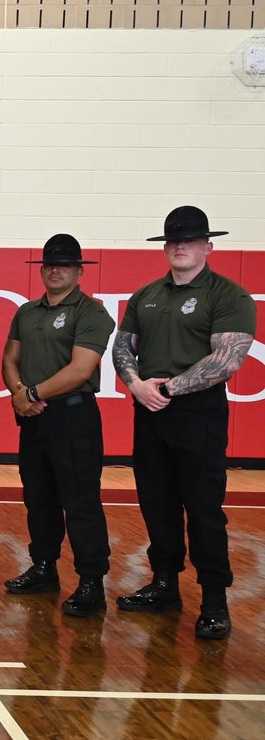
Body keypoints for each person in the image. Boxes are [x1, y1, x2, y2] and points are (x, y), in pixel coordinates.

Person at [112, 206, 255, 640]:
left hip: (198, 414)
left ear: (207, 247)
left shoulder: (228, 295)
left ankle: (214, 600)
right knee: (157, 504)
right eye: (173, 241)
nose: (179, 247)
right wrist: (137, 385)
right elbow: (123, 347)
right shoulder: (146, 295)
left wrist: (169, 388)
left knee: (204, 511)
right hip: (149, 410)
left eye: (189, 241)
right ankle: (164, 585)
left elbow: (227, 359)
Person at [1, 234, 114, 617]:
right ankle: (44, 567)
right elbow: (9, 358)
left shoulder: (92, 312)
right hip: (33, 416)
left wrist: (29, 394)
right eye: (49, 264)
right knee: (38, 497)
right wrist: (19, 392)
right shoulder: (27, 312)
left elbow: (81, 369)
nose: (55, 269)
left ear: (79, 270)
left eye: (64, 264)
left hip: (72, 415)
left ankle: (91, 581)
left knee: (80, 501)